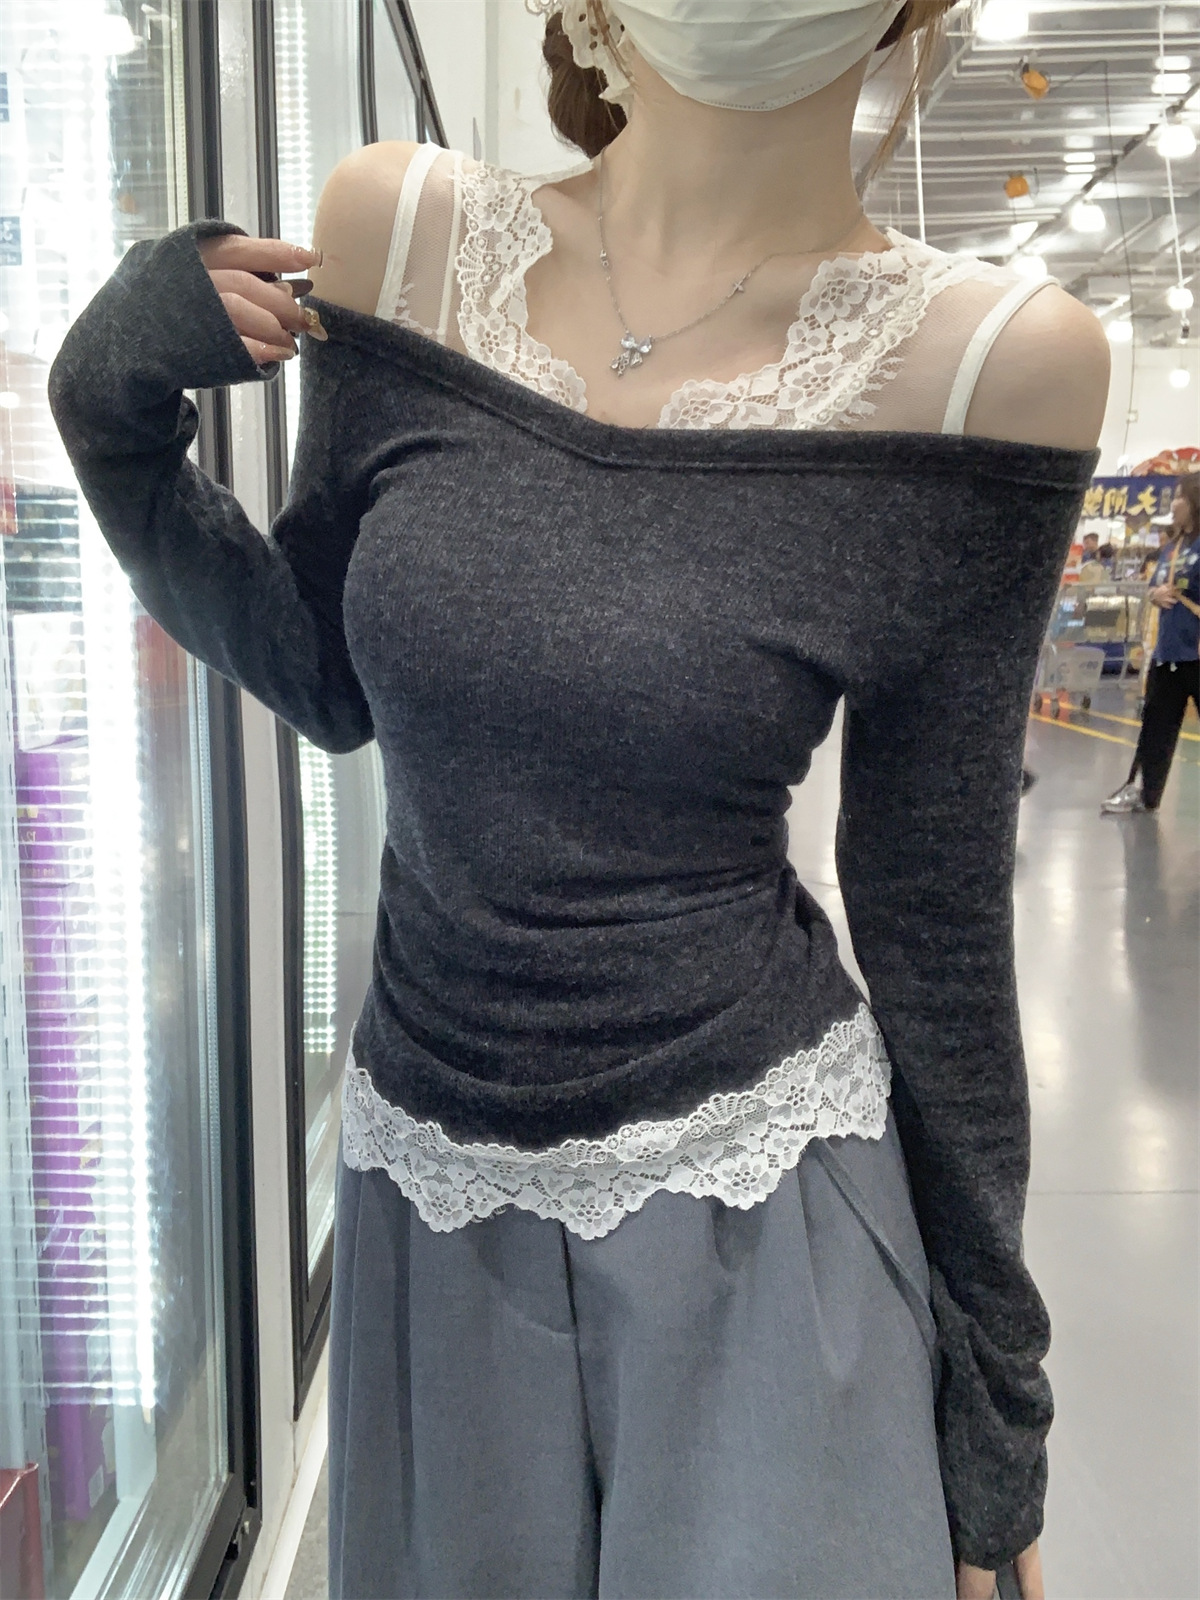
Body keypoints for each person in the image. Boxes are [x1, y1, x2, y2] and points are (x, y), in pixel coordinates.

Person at [47, 1, 1108, 1595]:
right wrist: (110, 414)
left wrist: (995, 1417)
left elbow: (934, 908)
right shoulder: (404, 232)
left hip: (763, 1213)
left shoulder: (994, 366)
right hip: (428, 1198)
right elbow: (325, 676)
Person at [1102, 474, 1200, 814]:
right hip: (1168, 653)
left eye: (1180, 496)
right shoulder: (1173, 548)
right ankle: (1143, 792)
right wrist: (1154, 594)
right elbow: (1155, 585)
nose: (1173, 504)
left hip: (1197, 653)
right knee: (1155, 728)